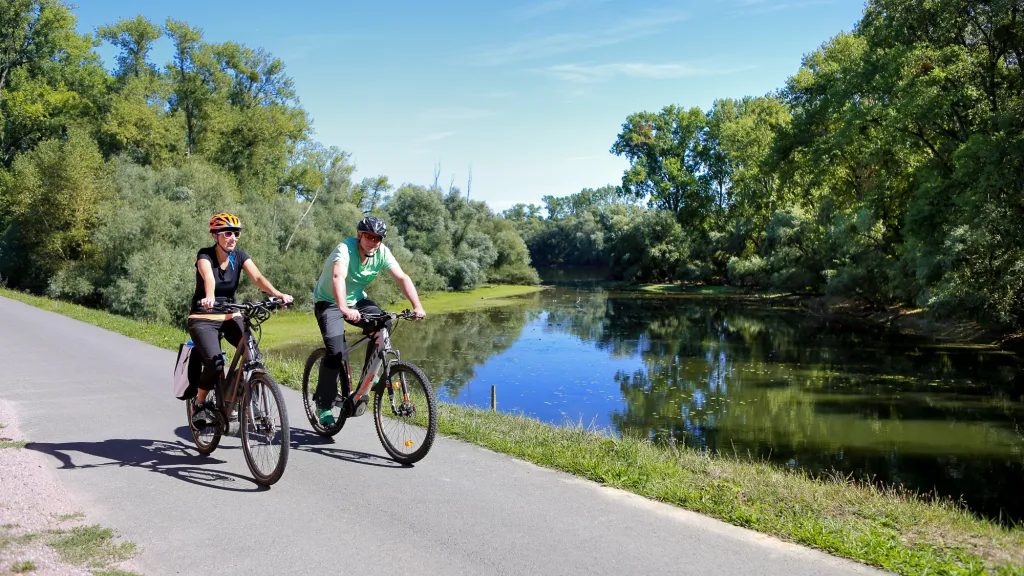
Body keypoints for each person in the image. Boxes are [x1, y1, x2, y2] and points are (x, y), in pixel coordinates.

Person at [312, 216, 426, 426]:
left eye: (378, 238)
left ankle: (368, 377)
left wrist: (417, 305)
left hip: (357, 300)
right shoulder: (345, 249)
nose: (373, 241)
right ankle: (324, 404)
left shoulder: (381, 252)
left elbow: (402, 277)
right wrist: (344, 308)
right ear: (359, 235)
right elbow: (338, 276)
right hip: (329, 302)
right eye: (369, 236)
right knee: (336, 353)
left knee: (384, 322)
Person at [188, 213, 293, 428]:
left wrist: (278, 294)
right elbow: (208, 277)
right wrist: (209, 297)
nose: (233, 237)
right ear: (215, 235)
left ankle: (235, 394)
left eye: (236, 233)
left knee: (252, 354)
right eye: (228, 233)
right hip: (204, 316)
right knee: (215, 362)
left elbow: (258, 278)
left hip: (230, 313)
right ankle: (199, 404)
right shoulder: (205, 255)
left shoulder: (239, 255)